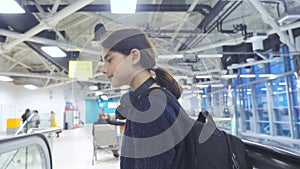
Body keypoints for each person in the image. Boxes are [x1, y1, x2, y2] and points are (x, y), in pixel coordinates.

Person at [101, 28, 189, 169]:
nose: (104, 70)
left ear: (134, 57)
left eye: (110, 60)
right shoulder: (156, 98)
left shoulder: (149, 107)